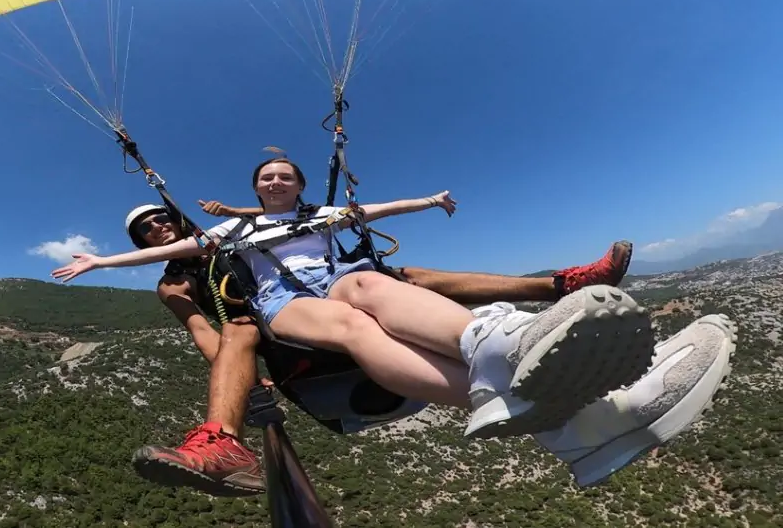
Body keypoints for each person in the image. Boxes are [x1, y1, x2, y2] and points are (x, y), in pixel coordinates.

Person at [54, 157, 736, 494]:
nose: (276, 182)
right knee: (354, 309)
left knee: (373, 285)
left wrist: (432, 199)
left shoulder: (313, 217)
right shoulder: (216, 244)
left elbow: (378, 210)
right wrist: (101, 261)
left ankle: (577, 425)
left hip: (348, 298)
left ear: (296, 185)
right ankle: (517, 335)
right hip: (291, 329)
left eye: (284, 174)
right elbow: (184, 273)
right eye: (266, 177)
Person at [118, 199, 637, 496]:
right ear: (143, 248)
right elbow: (203, 331)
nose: (156, 228)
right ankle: (221, 441)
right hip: (272, 333)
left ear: (178, 219)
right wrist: (248, 384)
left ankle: (559, 288)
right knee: (239, 330)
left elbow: (276, 216)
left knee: (401, 275)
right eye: (145, 232)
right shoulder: (174, 282)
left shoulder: (226, 235)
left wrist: (236, 210)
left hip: (322, 297)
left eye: (160, 219)